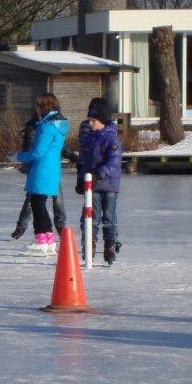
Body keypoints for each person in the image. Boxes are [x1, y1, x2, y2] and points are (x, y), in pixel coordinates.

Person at [13, 93, 68, 256]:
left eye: (37, 106)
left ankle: (41, 240)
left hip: (42, 169)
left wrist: (17, 156)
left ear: (44, 107)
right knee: (40, 203)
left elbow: (37, 151)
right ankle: (49, 239)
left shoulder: (46, 127)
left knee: (37, 204)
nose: (35, 109)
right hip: (51, 168)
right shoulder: (58, 125)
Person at [75, 102, 122, 264]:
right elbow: (84, 162)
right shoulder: (88, 138)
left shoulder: (111, 138)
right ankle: (90, 245)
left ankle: (110, 246)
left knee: (109, 217)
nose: (90, 123)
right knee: (91, 217)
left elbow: (113, 162)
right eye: (89, 120)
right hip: (92, 185)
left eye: (93, 120)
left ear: (102, 120)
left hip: (108, 184)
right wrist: (81, 179)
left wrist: (98, 174)